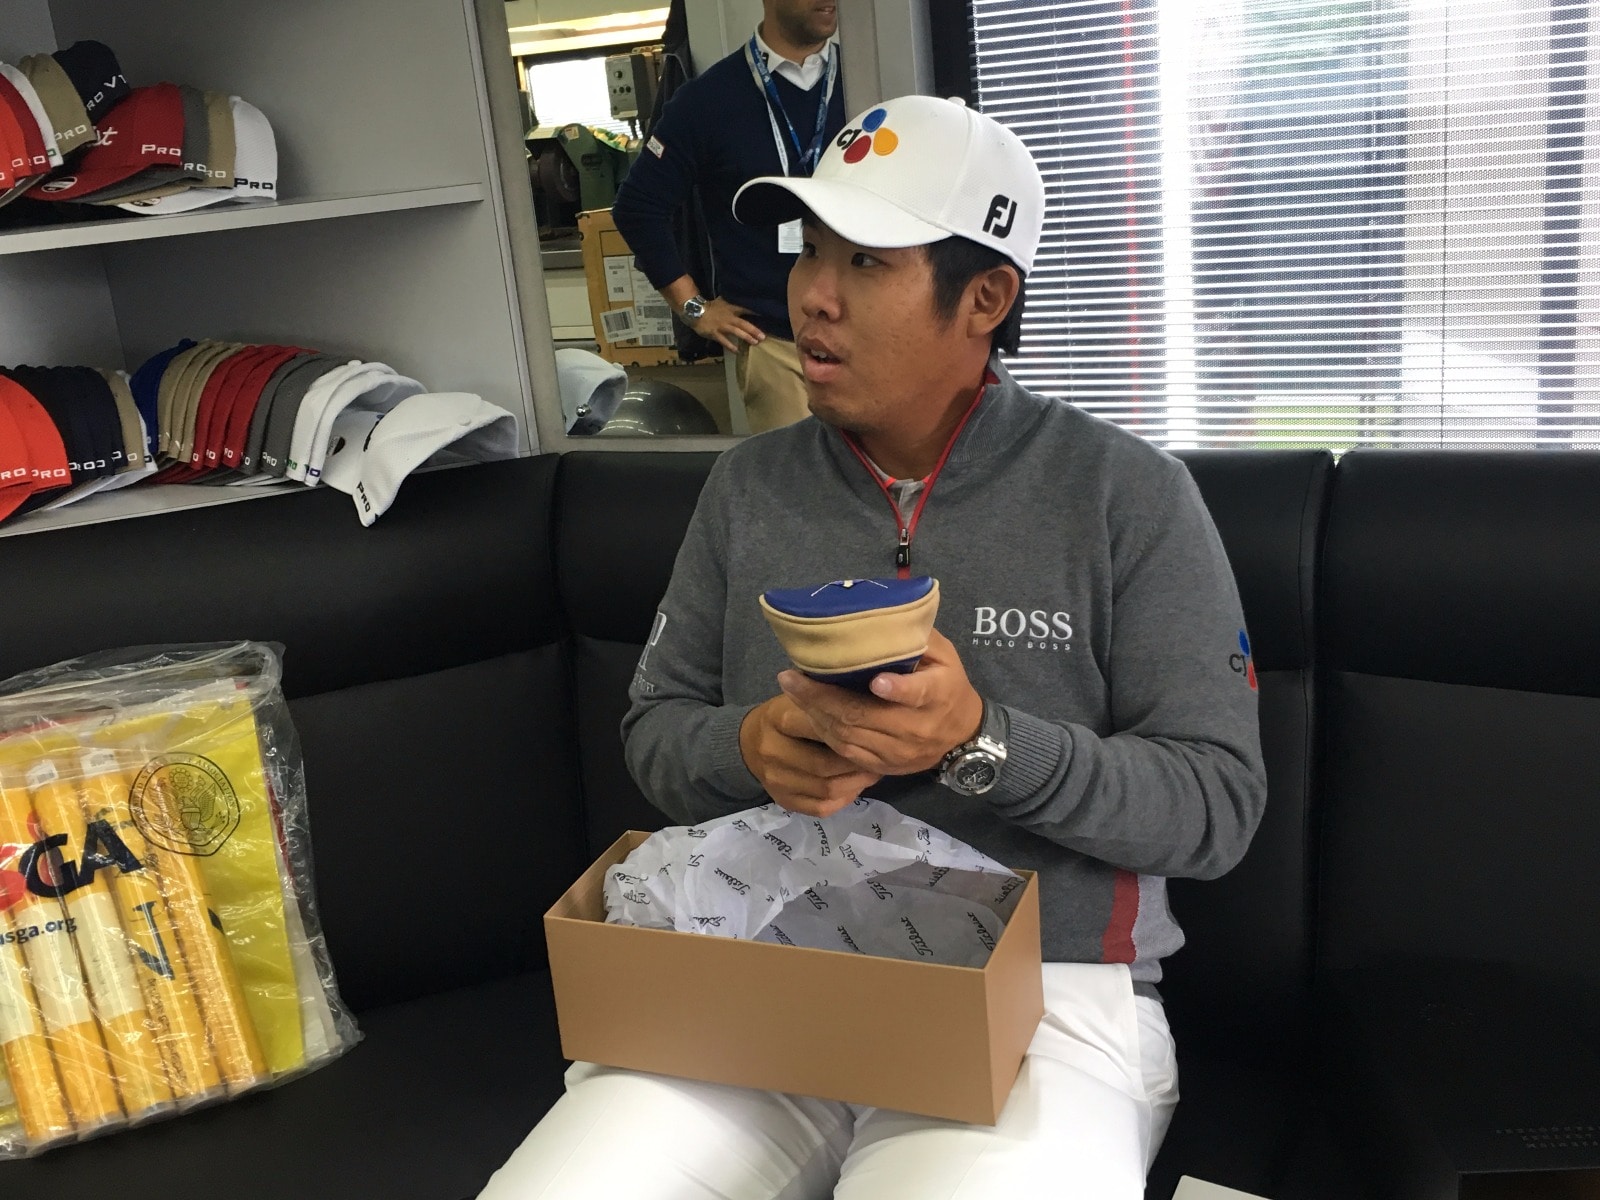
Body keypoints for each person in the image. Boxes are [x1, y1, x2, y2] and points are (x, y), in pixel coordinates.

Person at [480, 95, 1267, 1198]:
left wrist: (980, 742)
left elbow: (1215, 807)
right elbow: (654, 735)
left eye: (865, 261)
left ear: (985, 298)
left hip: (1045, 995)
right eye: (810, 251)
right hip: (762, 970)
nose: (812, 293)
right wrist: (753, 749)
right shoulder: (747, 487)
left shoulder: (1125, 496)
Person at [611, 0, 845, 433]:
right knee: (793, 477)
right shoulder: (708, 100)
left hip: (868, 334)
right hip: (776, 346)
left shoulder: (866, 80)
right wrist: (694, 308)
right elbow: (637, 207)